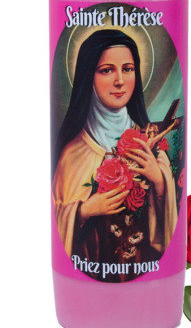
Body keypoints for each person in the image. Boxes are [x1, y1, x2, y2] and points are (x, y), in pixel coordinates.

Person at [53, 29, 177, 282]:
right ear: (89, 76)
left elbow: (169, 231)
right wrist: (84, 211)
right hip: (91, 269)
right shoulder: (72, 155)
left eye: (128, 69)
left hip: (145, 272)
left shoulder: (150, 146)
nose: (120, 80)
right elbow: (56, 216)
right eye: (107, 70)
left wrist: (158, 179)